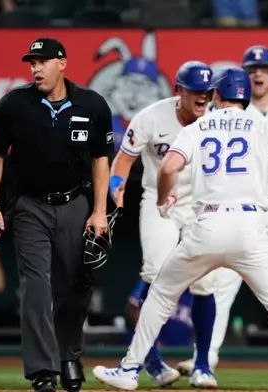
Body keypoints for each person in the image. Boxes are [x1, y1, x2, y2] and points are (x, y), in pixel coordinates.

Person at [92, 66, 268, 391]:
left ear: (217, 95)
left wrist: (163, 199)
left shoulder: (201, 126)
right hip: (251, 228)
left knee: (161, 295)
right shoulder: (263, 123)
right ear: (246, 96)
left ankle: (130, 369)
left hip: (206, 225)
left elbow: (169, 166)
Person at [175, 45, 268, 382]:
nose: (258, 73)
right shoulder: (224, 117)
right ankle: (206, 358)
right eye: (252, 68)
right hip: (236, 203)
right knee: (221, 283)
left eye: (264, 68)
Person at [0, 37, 113, 392]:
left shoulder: (93, 104)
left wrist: (99, 211)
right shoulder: (14, 104)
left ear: (62, 63)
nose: (35, 68)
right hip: (30, 206)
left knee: (76, 285)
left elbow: (101, 160)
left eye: (42, 61)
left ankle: (68, 355)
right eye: (32, 62)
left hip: (76, 203)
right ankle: (43, 371)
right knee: (36, 287)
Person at [109, 60, 219, 388]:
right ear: (179, 91)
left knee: (204, 284)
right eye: (195, 90)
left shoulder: (218, 120)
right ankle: (151, 360)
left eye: (206, 91)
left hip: (200, 204)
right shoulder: (152, 116)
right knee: (154, 273)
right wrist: (117, 183)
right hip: (159, 203)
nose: (202, 96)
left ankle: (202, 364)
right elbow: (125, 157)